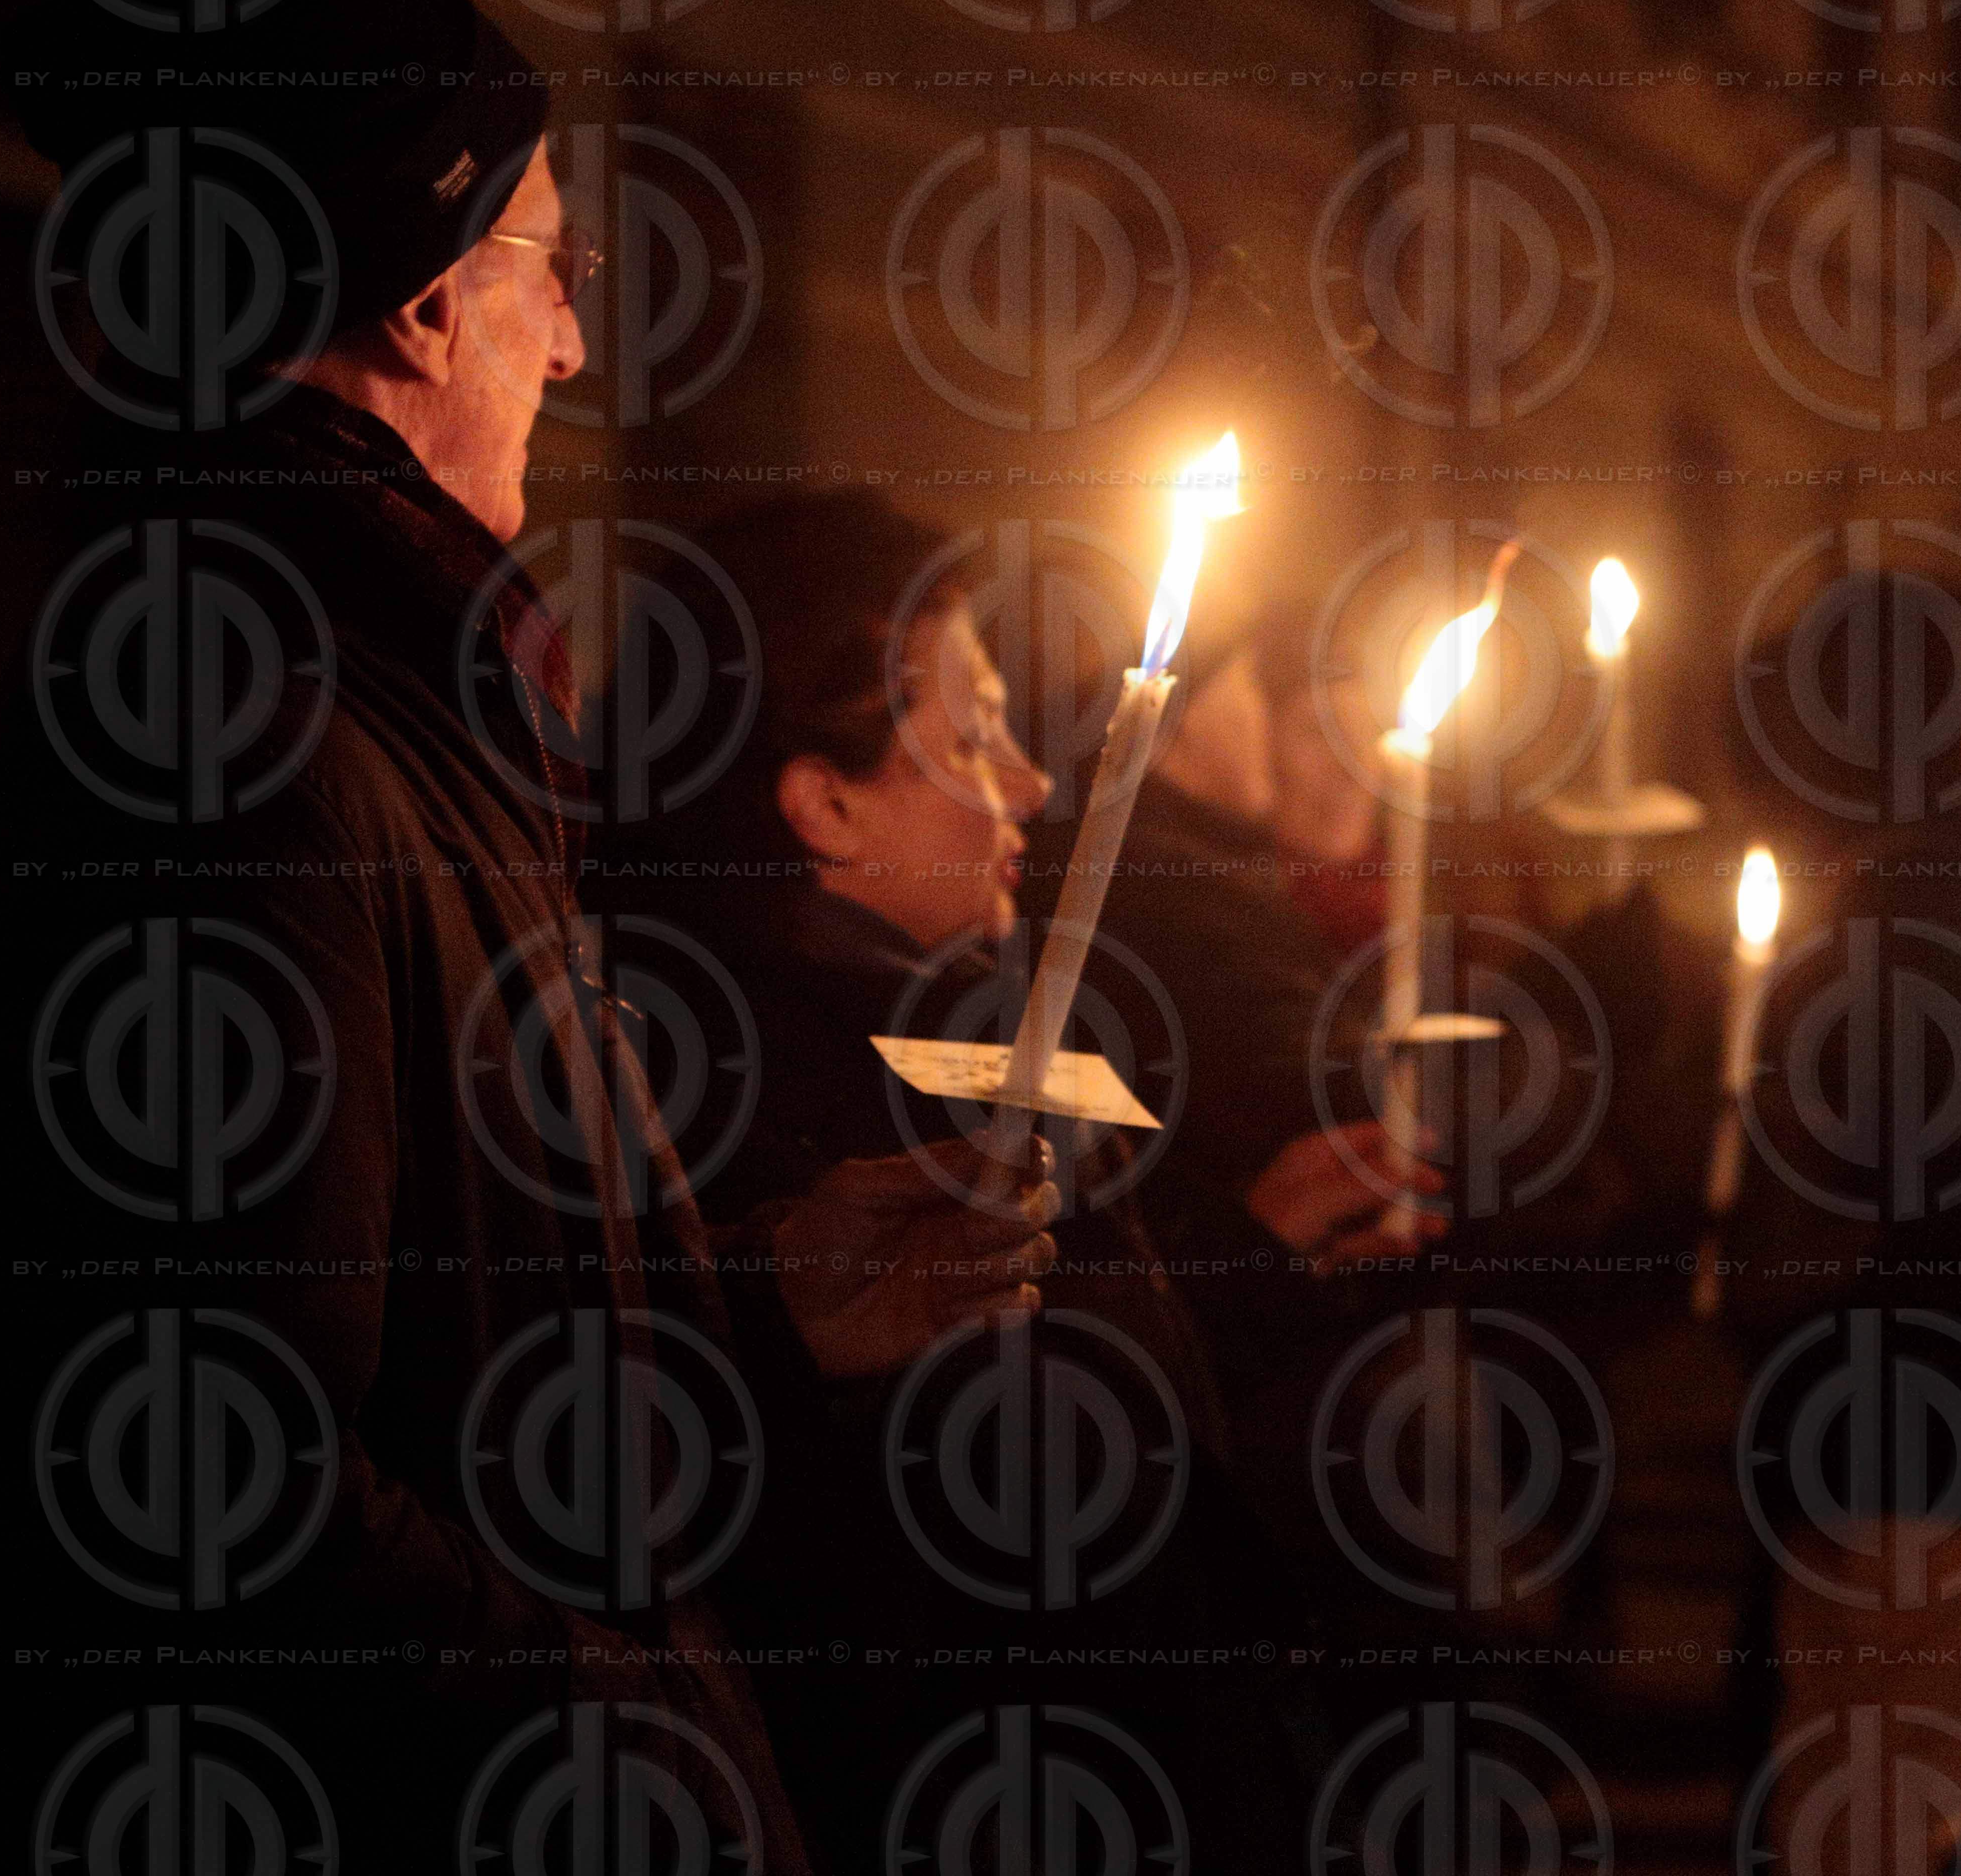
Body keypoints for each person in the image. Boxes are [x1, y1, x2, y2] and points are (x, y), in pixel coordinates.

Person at [0, 0, 1051, 1873]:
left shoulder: (390, 699)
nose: (577, 342)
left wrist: (760, 1311)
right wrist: (615, 1741)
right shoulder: (226, 759)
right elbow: (209, 1470)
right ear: (428, 293)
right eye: (552, 262)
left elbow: (458, 1326)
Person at [587, 489, 1375, 1871]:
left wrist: (1249, 1263)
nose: (1030, 782)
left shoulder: (942, 1017)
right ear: (822, 802)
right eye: (971, 737)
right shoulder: (763, 1093)